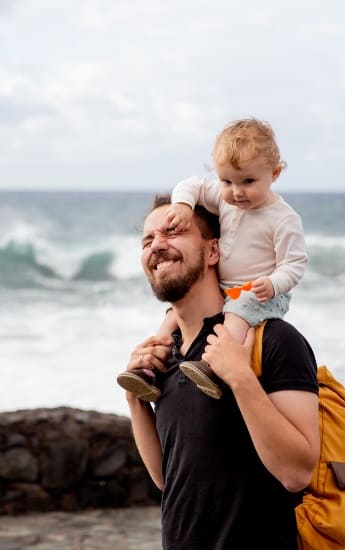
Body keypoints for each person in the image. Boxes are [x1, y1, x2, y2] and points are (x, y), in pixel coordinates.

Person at [124, 194, 320, 549]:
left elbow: (297, 472)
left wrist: (241, 378)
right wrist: (135, 401)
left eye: (172, 232)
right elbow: (167, 480)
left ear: (213, 252)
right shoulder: (166, 354)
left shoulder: (274, 340)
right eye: (147, 240)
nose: (157, 245)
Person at [117, 118, 307, 401]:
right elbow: (191, 185)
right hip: (227, 287)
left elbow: (295, 263)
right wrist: (183, 205)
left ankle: (212, 368)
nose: (237, 192)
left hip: (260, 292)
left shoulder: (283, 219)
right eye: (226, 180)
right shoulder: (224, 198)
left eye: (248, 181)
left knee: (236, 312)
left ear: (275, 173)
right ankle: (151, 369)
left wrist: (274, 283)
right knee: (173, 317)